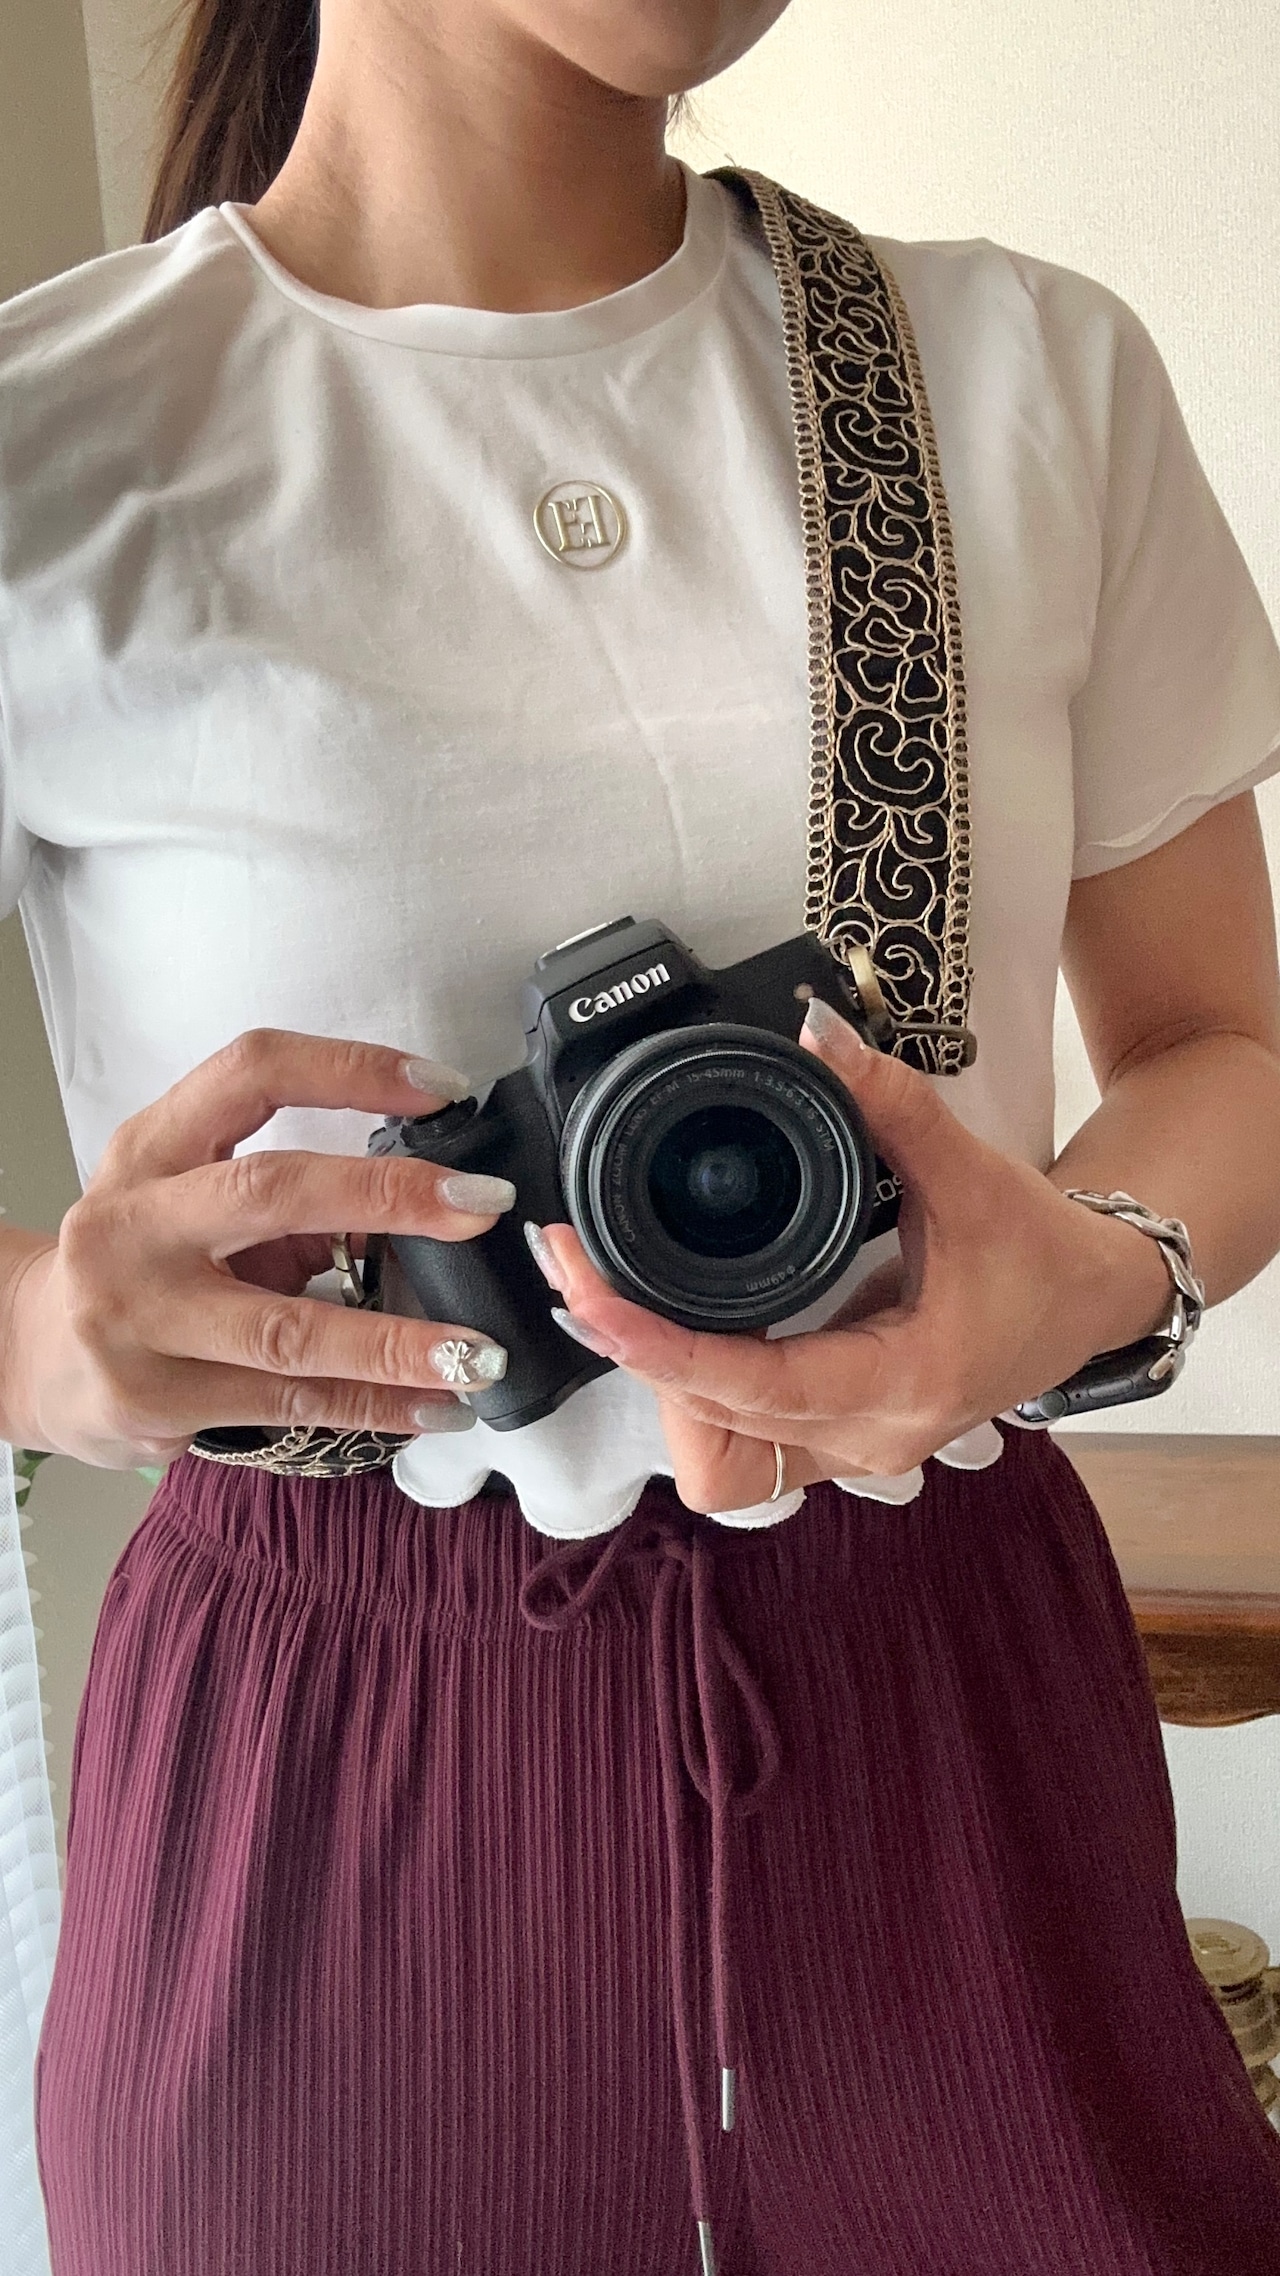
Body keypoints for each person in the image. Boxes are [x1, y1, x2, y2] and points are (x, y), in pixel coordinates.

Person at [3, 1, 1280, 2269]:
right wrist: (38, 1340)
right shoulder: (52, 440)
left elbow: (1222, 1041)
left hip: (953, 1695)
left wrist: (1095, 1273)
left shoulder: (1027, 380)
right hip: (320, 1755)